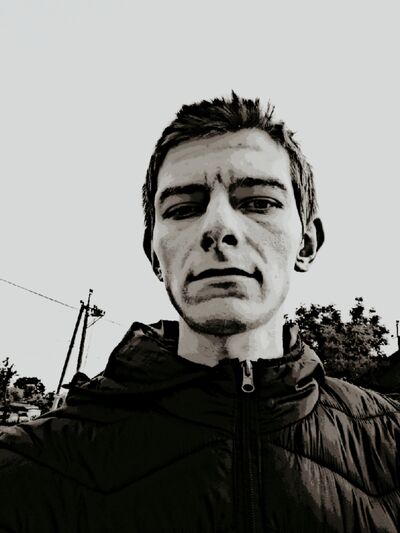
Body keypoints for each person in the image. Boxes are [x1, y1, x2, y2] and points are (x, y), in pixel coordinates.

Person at [0, 92, 399, 532]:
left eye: (258, 202)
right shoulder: (25, 470)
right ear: (154, 255)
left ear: (306, 242)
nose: (218, 228)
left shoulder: (390, 445)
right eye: (184, 209)